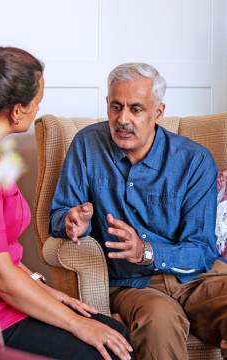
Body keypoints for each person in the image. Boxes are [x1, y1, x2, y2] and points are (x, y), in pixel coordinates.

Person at [0, 47, 133, 360]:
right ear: (17, 111)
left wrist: (47, 291)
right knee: (108, 347)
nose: (38, 108)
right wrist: (74, 324)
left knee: (114, 332)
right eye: (37, 102)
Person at [50, 62, 227, 360]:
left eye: (136, 109)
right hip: (132, 284)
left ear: (158, 112)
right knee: (159, 320)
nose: (123, 119)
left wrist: (146, 251)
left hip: (196, 278)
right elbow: (59, 214)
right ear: (107, 105)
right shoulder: (87, 145)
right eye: (116, 107)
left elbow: (201, 251)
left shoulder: (194, 160)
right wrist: (71, 222)